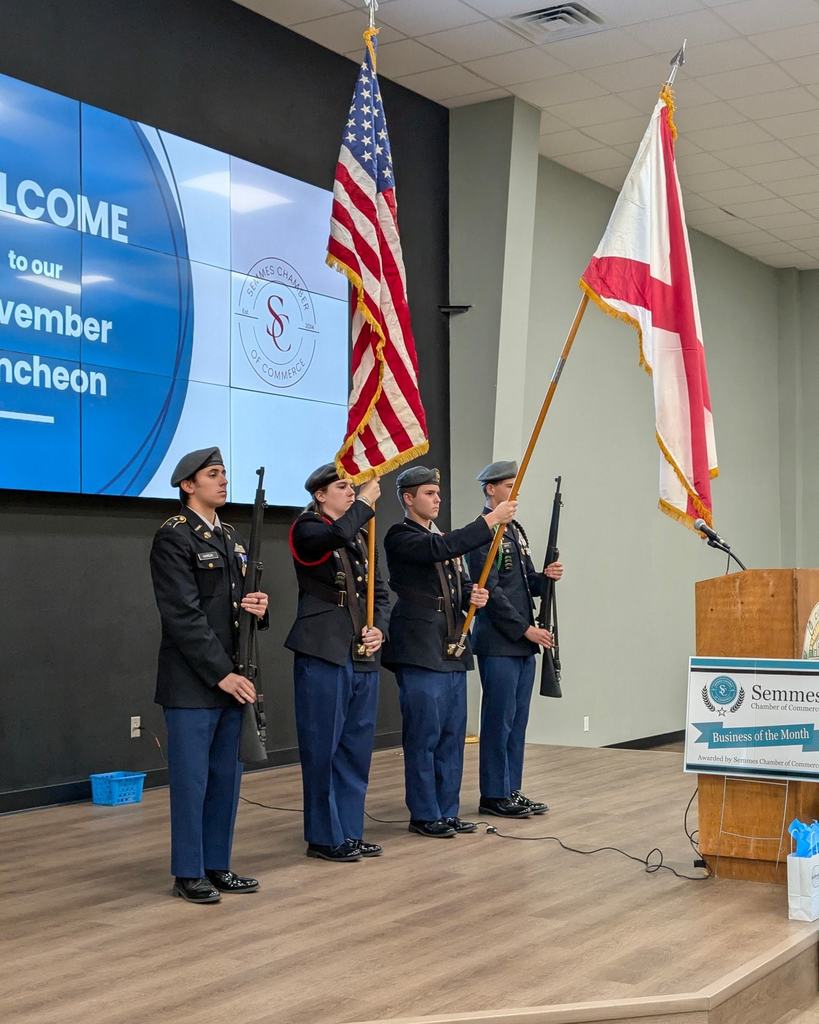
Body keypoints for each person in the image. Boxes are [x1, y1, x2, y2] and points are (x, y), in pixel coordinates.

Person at [149, 447, 269, 903]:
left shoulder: (232, 537)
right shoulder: (174, 537)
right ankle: (188, 871)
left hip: (232, 676)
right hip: (193, 682)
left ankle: (217, 863)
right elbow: (182, 616)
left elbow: (233, 607)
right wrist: (222, 673)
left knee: (226, 778)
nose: (223, 481)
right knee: (192, 780)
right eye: (212, 474)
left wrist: (259, 607)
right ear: (188, 485)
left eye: (223, 473)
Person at [382, 465, 517, 838]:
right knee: (424, 734)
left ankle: (447, 809)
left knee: (451, 735)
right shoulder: (401, 535)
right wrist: (489, 520)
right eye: (428, 493)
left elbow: (454, 578)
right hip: (420, 646)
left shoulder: (440, 536)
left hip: (451, 643)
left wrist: (472, 594)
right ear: (408, 499)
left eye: (437, 493)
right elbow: (438, 550)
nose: (436, 498)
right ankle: (425, 813)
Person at [285, 463, 389, 862]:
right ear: (319, 495)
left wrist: (379, 628)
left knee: (355, 747)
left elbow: (379, 591)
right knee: (322, 747)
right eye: (342, 487)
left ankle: (349, 829)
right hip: (324, 647)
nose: (351, 492)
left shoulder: (361, 532)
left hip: (360, 649)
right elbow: (332, 538)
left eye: (352, 487)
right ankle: (325, 836)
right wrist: (364, 502)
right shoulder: (307, 528)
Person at [467, 461, 564, 819]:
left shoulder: (514, 531)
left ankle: (511, 788)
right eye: (508, 486)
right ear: (490, 489)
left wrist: (545, 578)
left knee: (517, 721)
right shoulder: (484, 534)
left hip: (522, 642)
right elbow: (490, 591)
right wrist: (526, 630)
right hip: (499, 640)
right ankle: (493, 793)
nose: (514, 493)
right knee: (499, 720)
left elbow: (521, 585)